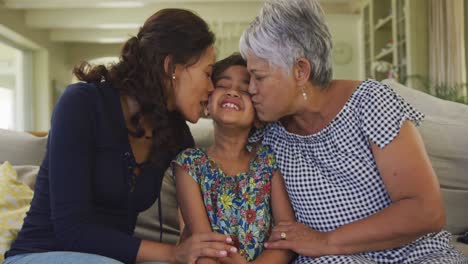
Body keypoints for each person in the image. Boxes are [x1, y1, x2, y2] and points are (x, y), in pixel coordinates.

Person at [239, 0, 468, 263]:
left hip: (414, 254)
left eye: (259, 77)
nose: (251, 89)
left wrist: (326, 241)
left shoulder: (370, 102)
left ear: (300, 70)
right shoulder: (267, 133)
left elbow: (426, 211)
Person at [4, 8, 237, 264]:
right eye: (207, 73)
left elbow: (197, 221)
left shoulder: (175, 133)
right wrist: (173, 253)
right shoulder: (82, 104)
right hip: (40, 254)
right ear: (171, 67)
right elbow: (72, 230)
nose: (211, 87)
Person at [173, 53, 296, 263]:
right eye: (223, 84)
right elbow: (202, 242)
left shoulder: (268, 162)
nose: (233, 92)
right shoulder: (189, 163)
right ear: (207, 105)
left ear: (259, 115)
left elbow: (286, 239)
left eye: (244, 90)